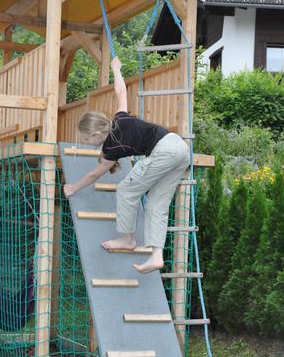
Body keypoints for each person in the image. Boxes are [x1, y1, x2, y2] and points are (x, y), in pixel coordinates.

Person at [63, 56, 190, 274]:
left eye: (86, 139)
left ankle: (127, 238)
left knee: (125, 190)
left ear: (95, 135)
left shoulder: (111, 147)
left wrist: (72, 188)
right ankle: (156, 257)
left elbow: (95, 174)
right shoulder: (119, 118)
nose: (87, 143)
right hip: (181, 149)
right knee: (156, 205)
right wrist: (116, 69)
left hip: (164, 151)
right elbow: (121, 92)